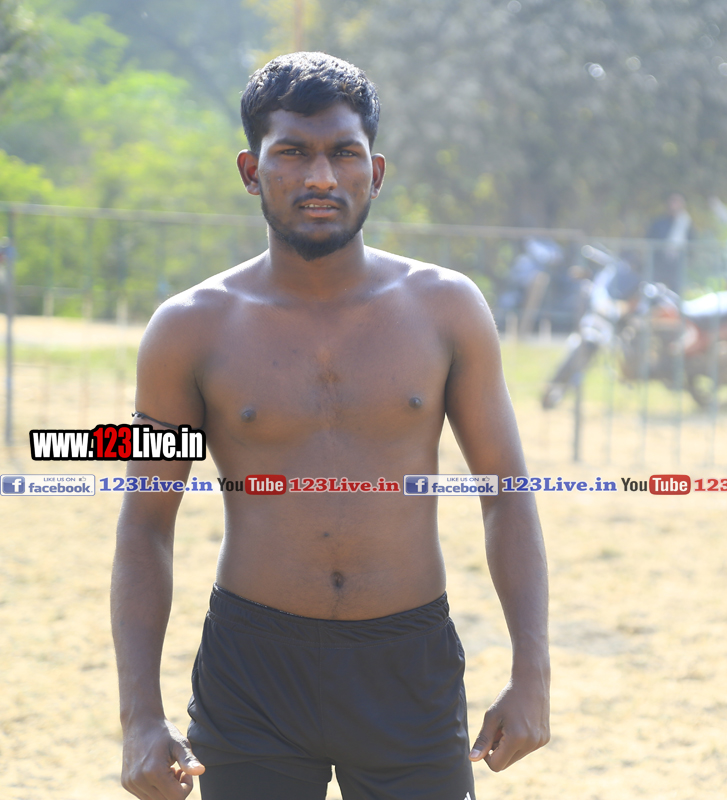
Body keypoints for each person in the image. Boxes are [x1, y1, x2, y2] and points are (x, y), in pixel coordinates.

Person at [111, 52, 550, 800]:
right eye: (293, 153)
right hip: (252, 673)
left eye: (343, 154)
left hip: (407, 665)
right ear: (251, 171)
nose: (320, 178)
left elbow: (506, 495)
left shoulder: (447, 308)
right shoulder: (188, 329)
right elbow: (146, 523)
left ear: (375, 172)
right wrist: (139, 719)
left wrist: (531, 674)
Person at [644, 192, 693, 294]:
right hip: (658, 266)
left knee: (675, 293)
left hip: (677, 267)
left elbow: (692, 245)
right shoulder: (659, 223)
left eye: (677, 202)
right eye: (672, 201)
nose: (674, 204)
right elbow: (649, 240)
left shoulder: (686, 224)